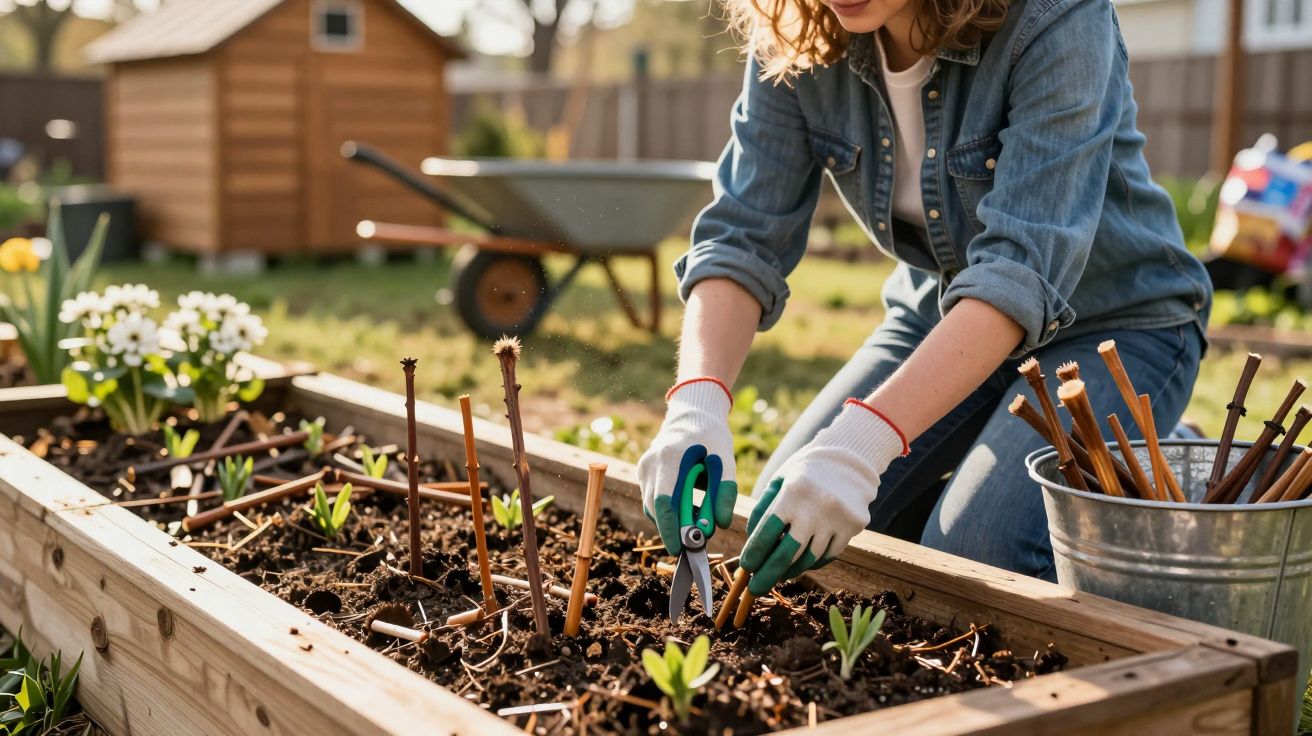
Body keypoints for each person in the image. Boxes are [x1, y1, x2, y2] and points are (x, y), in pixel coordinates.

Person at [638, 0, 1212, 595]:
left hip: (1112, 326)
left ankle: (1149, 476)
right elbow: (742, 236)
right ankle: (1010, 488)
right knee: (791, 520)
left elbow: (1019, 270)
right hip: (938, 317)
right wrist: (696, 406)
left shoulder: (1055, 16)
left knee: (978, 554)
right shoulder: (796, 27)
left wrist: (860, 449)